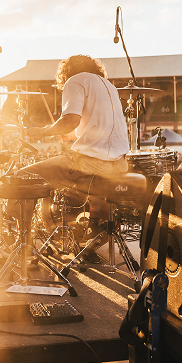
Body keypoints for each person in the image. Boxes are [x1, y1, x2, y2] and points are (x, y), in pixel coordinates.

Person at [24, 55, 129, 263]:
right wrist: (70, 135)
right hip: (119, 165)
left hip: (91, 163)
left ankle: (25, 245)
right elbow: (99, 129)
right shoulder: (109, 86)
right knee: (94, 195)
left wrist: (42, 131)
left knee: (26, 177)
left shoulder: (75, 81)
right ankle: (88, 243)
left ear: (66, 73)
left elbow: (70, 120)